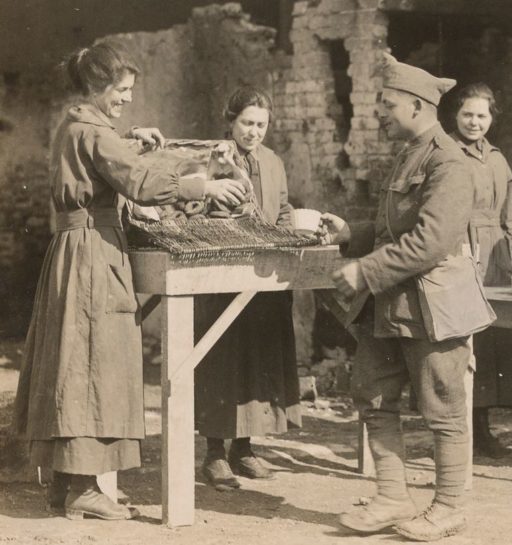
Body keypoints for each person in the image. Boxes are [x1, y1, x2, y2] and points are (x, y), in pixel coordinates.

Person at [12, 42, 245, 520]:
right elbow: (137, 182)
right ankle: (83, 487)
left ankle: (68, 484)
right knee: (94, 364)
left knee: (74, 363)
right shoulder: (92, 132)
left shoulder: (81, 126)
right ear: (98, 87)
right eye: (122, 91)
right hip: (92, 255)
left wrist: (135, 143)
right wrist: (204, 184)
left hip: (78, 253)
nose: (127, 100)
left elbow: (111, 166)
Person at [319, 53, 481, 541]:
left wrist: (364, 271)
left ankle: (450, 505)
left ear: (416, 105)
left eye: (388, 105)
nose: (381, 113)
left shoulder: (449, 162)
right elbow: (395, 229)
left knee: (443, 406)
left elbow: (431, 240)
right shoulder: (408, 153)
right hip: (392, 305)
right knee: (373, 396)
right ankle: (392, 498)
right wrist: (352, 232)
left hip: (432, 308)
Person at [194, 86, 301, 489]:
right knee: (222, 361)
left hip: (263, 274)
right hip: (222, 274)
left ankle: (244, 449)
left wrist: (291, 233)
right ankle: (214, 454)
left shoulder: (273, 161)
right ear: (231, 120)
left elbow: (284, 206)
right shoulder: (214, 158)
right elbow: (197, 207)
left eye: (261, 125)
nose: (254, 132)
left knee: (257, 361)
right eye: (247, 123)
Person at [448, 82, 512, 458]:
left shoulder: (497, 158)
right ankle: (461, 429)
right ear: (456, 115)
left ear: (492, 118)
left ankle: (483, 428)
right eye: (467, 114)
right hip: (463, 250)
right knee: (466, 340)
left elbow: (509, 210)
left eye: (481, 115)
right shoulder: (447, 153)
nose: (474, 122)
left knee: (492, 342)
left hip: (495, 255)